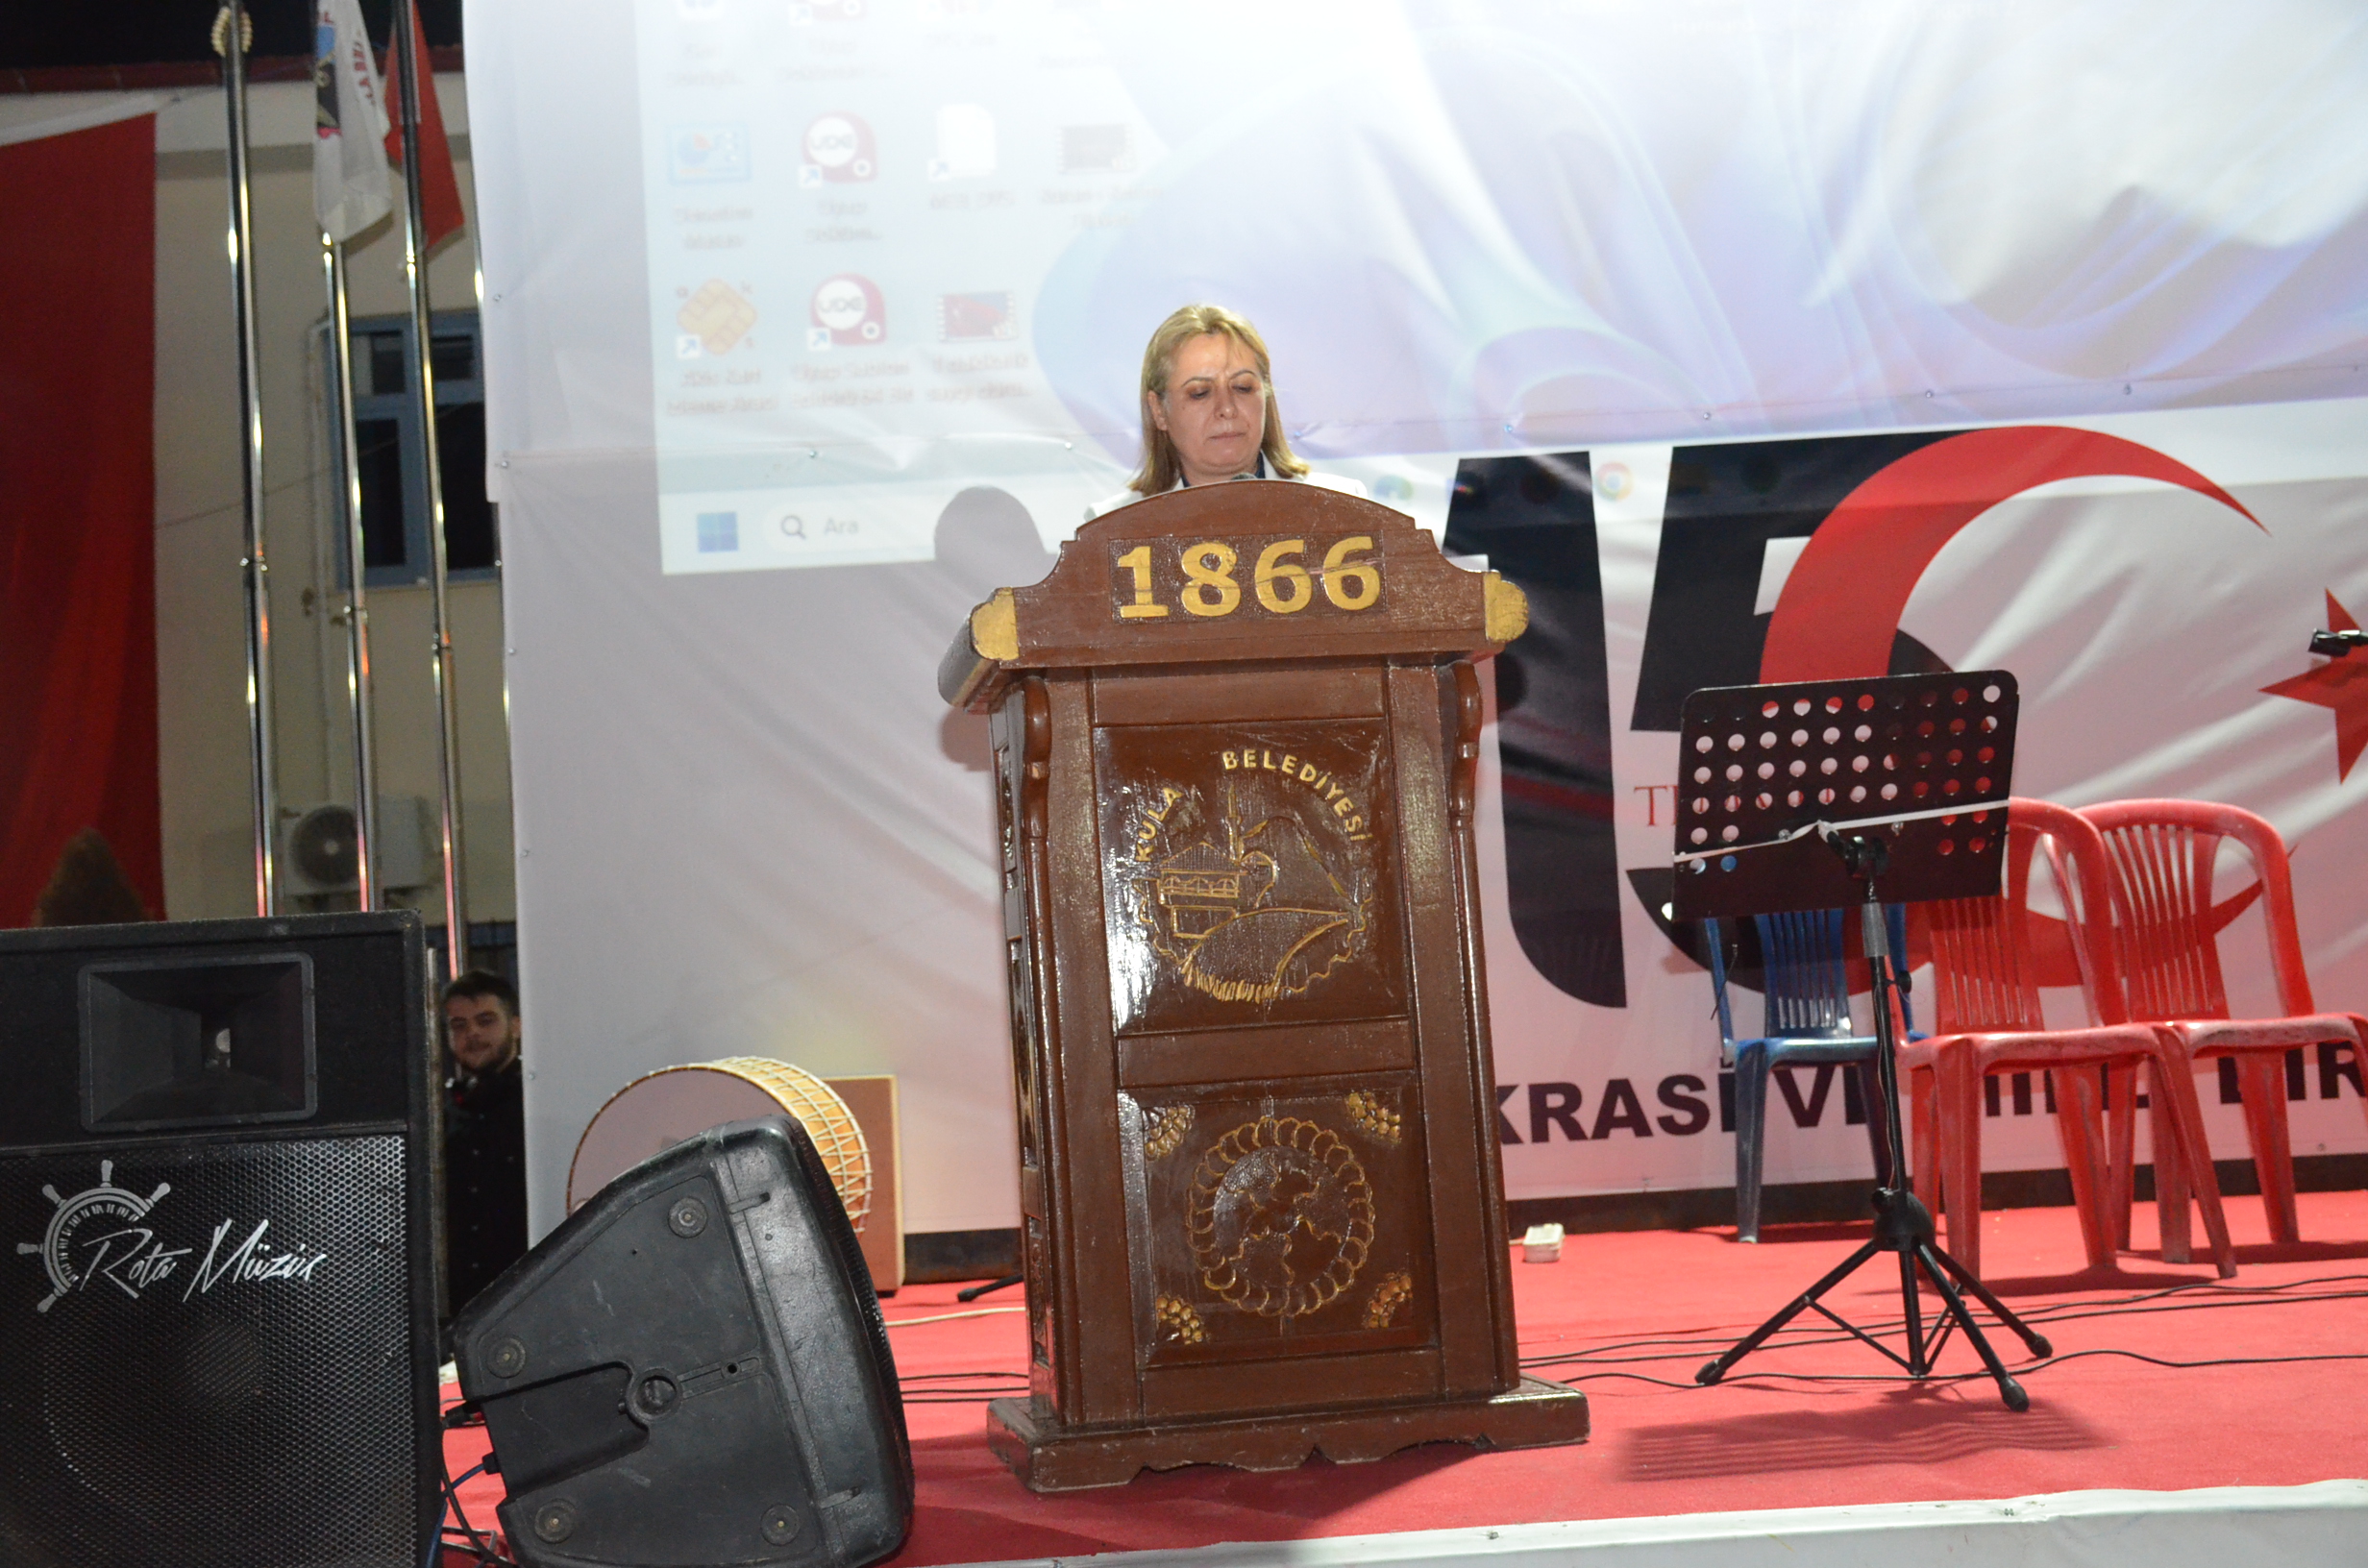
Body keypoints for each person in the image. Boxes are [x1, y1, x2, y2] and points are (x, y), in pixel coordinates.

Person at [1087, 304, 1366, 519]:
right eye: (1200, 393)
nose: (1227, 408)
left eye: (1242, 387)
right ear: (1159, 410)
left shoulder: (1344, 506)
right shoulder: (1110, 528)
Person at [442, 968, 528, 1317]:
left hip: (528, 1298)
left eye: (486, 1021)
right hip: (459, 1307)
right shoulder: (439, 1112)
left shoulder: (538, 1103)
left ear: (516, 1026)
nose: (472, 1034)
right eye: (459, 1025)